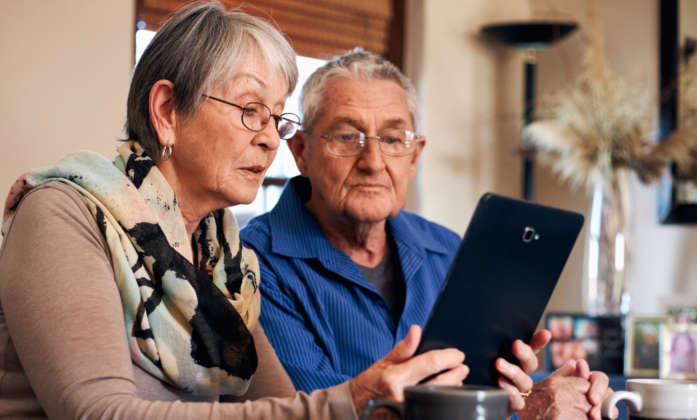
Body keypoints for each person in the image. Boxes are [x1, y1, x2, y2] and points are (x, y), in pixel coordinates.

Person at [0, 4, 470, 419]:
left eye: (277, 118)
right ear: (167, 111)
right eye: (250, 110)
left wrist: (379, 404)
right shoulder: (63, 214)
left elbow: (283, 407)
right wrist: (350, 398)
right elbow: (99, 412)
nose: (271, 137)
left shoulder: (221, 257)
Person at [241, 50, 616, 420]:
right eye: (346, 136)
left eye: (392, 140)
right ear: (302, 151)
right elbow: (316, 412)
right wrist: (518, 409)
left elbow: (486, 388)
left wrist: (533, 393)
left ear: (415, 155)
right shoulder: (251, 262)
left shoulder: (449, 249)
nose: (373, 162)